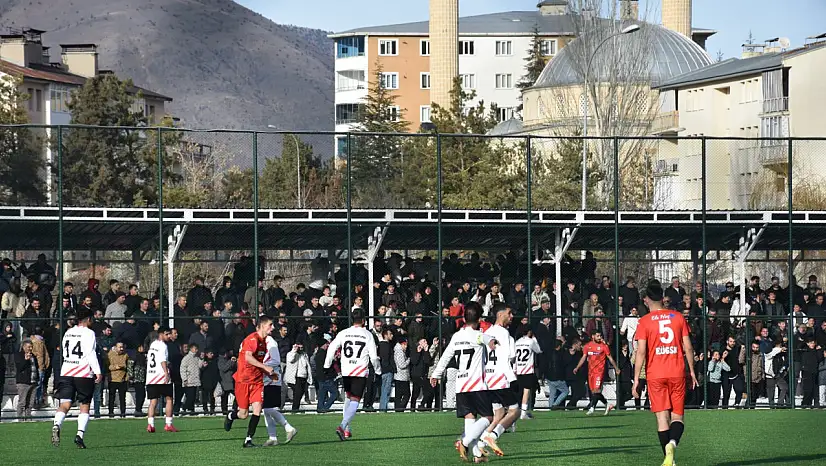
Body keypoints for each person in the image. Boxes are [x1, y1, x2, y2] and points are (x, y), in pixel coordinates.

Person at [633, 280, 698, 466]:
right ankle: (673, 444)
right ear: (663, 298)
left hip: (655, 374)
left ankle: (669, 458)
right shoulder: (678, 317)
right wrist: (692, 371)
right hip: (676, 372)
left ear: (646, 300)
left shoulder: (644, 321)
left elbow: (641, 352)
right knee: (678, 417)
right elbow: (688, 347)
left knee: (662, 418)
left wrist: (636, 379)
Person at [430, 301, 498, 464]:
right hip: (476, 384)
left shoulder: (457, 336)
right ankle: (464, 441)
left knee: (470, 419)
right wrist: (493, 342)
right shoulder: (478, 335)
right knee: (488, 417)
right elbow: (487, 339)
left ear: (464, 319)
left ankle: (477, 455)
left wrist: (436, 374)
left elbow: (446, 356)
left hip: (461, 385)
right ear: (479, 319)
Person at [324, 308, 380, 441]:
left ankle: (347, 430)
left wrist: (327, 365)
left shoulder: (344, 333)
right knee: (355, 401)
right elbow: (373, 357)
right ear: (364, 320)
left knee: (348, 398)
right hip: (359, 371)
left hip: (346, 370)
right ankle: (342, 426)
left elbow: (332, 348)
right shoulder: (367, 335)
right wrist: (378, 371)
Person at [51, 310, 103, 449]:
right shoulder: (89, 333)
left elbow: (64, 351)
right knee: (84, 404)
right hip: (83, 373)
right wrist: (98, 372)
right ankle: (79, 434)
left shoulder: (68, 332)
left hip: (67, 371)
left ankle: (57, 424)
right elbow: (90, 353)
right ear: (88, 319)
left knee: (65, 403)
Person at [224, 315, 277, 448]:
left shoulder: (264, 343)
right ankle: (231, 416)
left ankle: (248, 440)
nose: (273, 327)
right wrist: (265, 367)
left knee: (257, 409)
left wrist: (268, 374)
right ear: (262, 326)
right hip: (243, 381)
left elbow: (257, 363)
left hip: (257, 382)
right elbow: (248, 358)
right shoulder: (252, 339)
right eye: (270, 325)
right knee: (243, 415)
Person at [261, 325, 298, 446]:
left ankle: (288, 428)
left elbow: (275, 360)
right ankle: (272, 437)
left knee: (268, 408)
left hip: (272, 378)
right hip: (266, 378)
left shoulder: (270, 342)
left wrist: (259, 365)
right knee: (266, 410)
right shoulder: (261, 341)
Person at [574, 330, 618, 416]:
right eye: (598, 336)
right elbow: (584, 357)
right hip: (591, 372)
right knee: (595, 392)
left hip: (599, 372)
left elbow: (610, 358)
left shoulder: (604, 346)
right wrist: (577, 367)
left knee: (597, 390)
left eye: (600, 336)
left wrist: (616, 368)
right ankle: (607, 404)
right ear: (593, 336)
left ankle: (592, 408)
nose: (600, 338)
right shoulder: (587, 346)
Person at [146, 327, 178, 432]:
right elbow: (162, 360)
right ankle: (168, 424)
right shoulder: (163, 345)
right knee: (169, 399)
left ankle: (150, 424)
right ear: (161, 334)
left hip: (151, 377)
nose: (169, 336)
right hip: (161, 376)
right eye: (167, 334)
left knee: (153, 401)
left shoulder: (153, 344)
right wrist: (166, 373)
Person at [514, 327, 542, 418]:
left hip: (519, 369)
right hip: (527, 369)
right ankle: (523, 413)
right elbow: (538, 350)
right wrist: (534, 339)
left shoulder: (517, 342)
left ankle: (518, 411)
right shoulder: (531, 341)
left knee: (520, 392)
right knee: (526, 391)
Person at [15, 340, 39, 421]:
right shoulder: (19, 355)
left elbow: (36, 368)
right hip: (23, 382)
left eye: (31, 347)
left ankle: (28, 418)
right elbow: (19, 368)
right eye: (29, 347)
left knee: (30, 403)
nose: (30, 348)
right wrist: (25, 360)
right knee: (22, 402)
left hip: (33, 382)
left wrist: (37, 379)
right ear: (24, 347)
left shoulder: (33, 356)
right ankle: (20, 419)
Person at [107, 341, 129, 418]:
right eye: (120, 347)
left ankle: (123, 413)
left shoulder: (126, 355)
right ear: (116, 347)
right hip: (112, 379)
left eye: (122, 347)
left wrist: (127, 377)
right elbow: (107, 366)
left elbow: (127, 366)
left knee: (122, 398)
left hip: (122, 380)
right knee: (111, 398)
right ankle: (111, 413)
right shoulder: (110, 355)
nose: (121, 349)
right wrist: (115, 367)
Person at [180, 343, 203, 414]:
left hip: (195, 380)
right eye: (195, 349)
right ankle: (185, 408)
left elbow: (200, 366)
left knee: (194, 397)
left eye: (197, 349)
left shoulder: (197, 358)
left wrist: (201, 359)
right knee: (190, 396)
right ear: (191, 349)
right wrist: (184, 379)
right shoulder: (186, 358)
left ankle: (191, 409)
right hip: (189, 380)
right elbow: (182, 369)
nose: (196, 350)